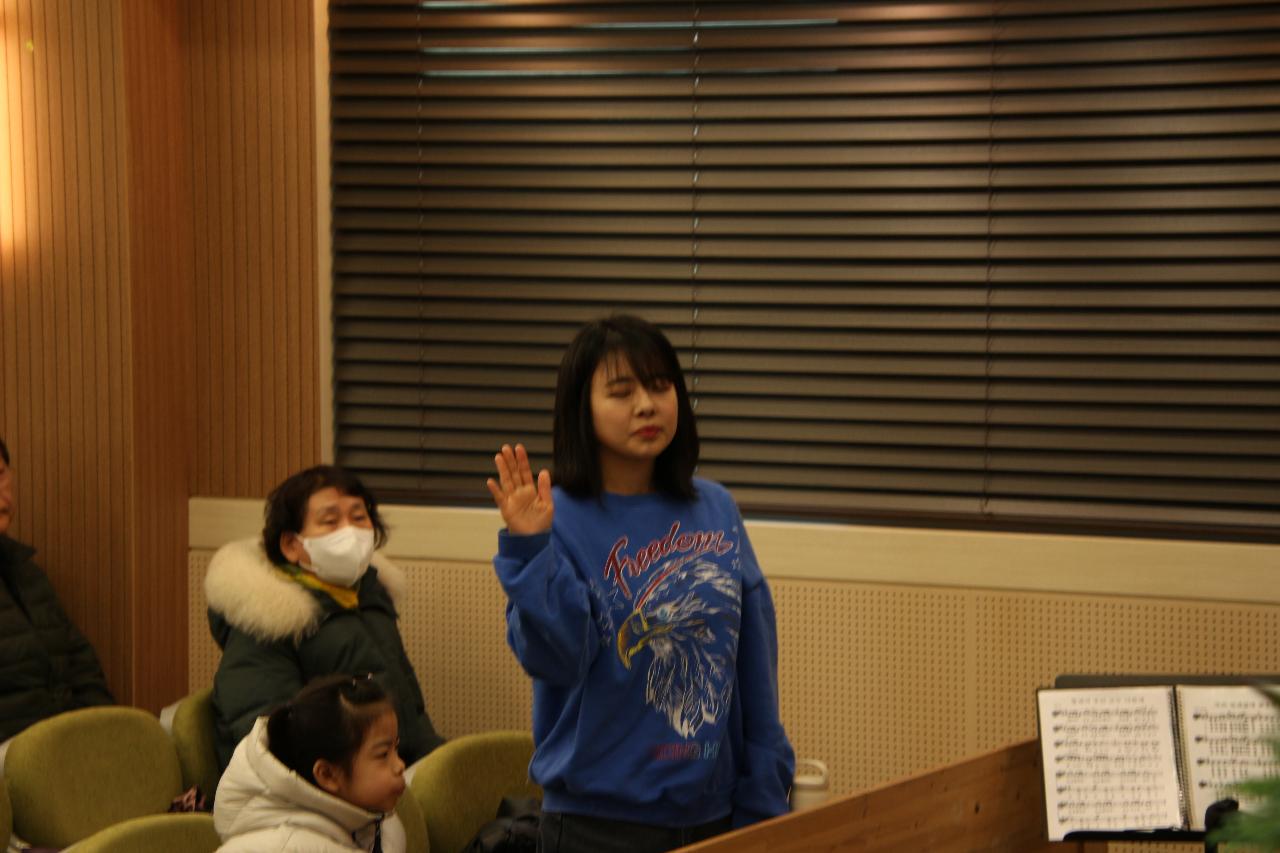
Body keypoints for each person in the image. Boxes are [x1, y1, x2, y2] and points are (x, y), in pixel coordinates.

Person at [486, 315, 794, 853]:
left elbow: (753, 662)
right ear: (582, 407)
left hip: (717, 817)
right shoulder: (554, 516)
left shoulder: (716, 507)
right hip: (595, 826)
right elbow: (558, 661)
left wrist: (764, 796)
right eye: (622, 391)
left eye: (659, 385)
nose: (647, 406)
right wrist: (531, 550)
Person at [206, 465, 443, 775]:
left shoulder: (369, 599)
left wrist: (439, 769)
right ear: (291, 545)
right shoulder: (269, 621)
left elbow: (412, 717)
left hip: (389, 775)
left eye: (358, 517)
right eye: (330, 521)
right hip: (318, 788)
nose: (349, 531)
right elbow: (271, 744)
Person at [213, 673, 408, 852]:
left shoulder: (381, 825)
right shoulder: (282, 847)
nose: (400, 765)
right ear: (328, 775)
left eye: (396, 748)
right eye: (383, 754)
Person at [0, 436, 113, 744]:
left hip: (66, 747)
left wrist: (108, 735)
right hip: (17, 759)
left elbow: (82, 667)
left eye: (0, 474)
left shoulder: (29, 575)